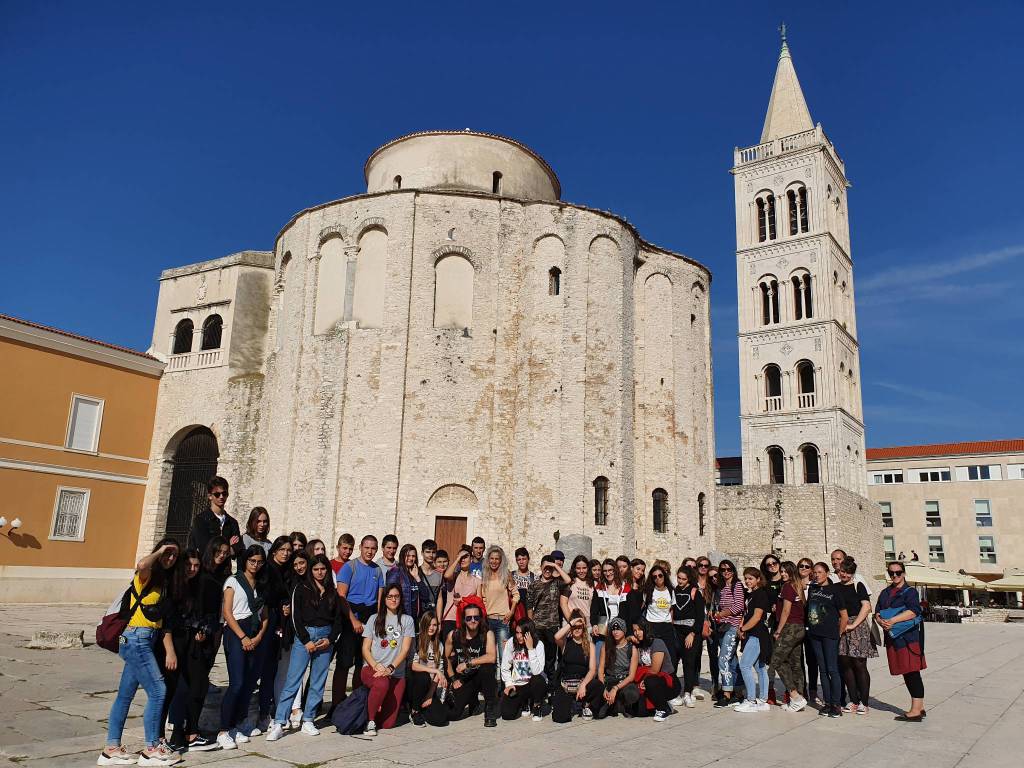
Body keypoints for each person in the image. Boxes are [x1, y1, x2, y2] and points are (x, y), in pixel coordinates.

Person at [98, 540, 181, 767]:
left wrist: (169, 650)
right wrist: (160, 551)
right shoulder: (146, 576)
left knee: (125, 694)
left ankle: (111, 748)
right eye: (168, 553)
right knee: (158, 690)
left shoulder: (163, 583)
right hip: (136, 639)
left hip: (143, 639)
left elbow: (162, 623)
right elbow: (142, 563)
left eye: (175, 555)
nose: (171, 558)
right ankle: (151, 748)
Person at [265, 555, 346, 740]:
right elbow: (296, 617)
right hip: (305, 637)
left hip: (325, 638)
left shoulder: (332, 592)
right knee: (293, 681)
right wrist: (305, 640)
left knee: (318, 681)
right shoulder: (301, 589)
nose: (319, 572)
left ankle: (308, 719)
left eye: (322, 569)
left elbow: (338, 621)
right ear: (311, 570)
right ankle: (280, 722)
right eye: (316, 569)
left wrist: (330, 640)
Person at [177, 537, 231, 752]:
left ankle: (190, 730)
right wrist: (201, 630)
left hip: (209, 634)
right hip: (192, 637)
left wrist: (208, 630)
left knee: (199, 683)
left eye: (226, 552)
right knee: (189, 685)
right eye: (219, 550)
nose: (222, 554)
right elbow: (191, 610)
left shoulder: (222, 575)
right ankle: (183, 731)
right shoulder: (197, 578)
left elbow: (211, 611)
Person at [218, 544, 269, 749]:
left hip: (255, 632)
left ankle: (238, 724)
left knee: (249, 682)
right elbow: (227, 612)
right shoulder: (233, 581)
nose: (255, 565)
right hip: (236, 632)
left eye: (259, 562)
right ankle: (224, 729)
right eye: (252, 561)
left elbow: (264, 615)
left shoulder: (261, 584)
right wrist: (243, 637)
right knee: (237, 682)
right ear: (245, 561)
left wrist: (257, 637)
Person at [361, 584, 416, 735]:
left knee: (388, 724)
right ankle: (369, 721)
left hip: (396, 674)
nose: (393, 599)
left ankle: (376, 701)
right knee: (382, 682)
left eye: (396, 596)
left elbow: (405, 650)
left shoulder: (407, 620)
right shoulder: (374, 618)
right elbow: (365, 648)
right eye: (390, 596)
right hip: (372, 669)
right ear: (384, 599)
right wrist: (376, 666)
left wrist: (390, 668)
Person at [875, 562, 927, 721]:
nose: (895, 576)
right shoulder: (885, 592)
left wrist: (891, 620)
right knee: (906, 671)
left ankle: (916, 711)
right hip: (893, 636)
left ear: (904, 573)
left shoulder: (910, 592)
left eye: (898, 573)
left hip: (908, 637)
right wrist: (880, 621)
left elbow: (913, 611)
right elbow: (877, 611)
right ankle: (920, 706)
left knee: (912, 672)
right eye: (891, 573)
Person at [162, 547, 201, 750]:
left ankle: (178, 733)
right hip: (171, 642)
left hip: (187, 641)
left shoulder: (193, 587)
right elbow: (166, 622)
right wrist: (170, 651)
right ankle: (159, 737)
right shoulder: (172, 586)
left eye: (196, 566)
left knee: (183, 688)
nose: (192, 569)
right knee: (167, 690)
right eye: (189, 565)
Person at [252, 535, 291, 734]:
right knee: (260, 666)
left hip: (280, 623)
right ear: (274, 550)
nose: (285, 553)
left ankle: (265, 712)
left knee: (271, 670)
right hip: (267, 620)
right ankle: (250, 714)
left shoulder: (289, 570)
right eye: (282, 549)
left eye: (288, 550)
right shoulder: (267, 569)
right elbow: (265, 595)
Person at [336, 535, 385, 694]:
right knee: (344, 664)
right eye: (367, 548)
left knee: (362, 664)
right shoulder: (350, 567)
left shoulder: (377, 570)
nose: (370, 551)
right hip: (350, 618)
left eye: (373, 548)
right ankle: (337, 704)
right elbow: (341, 596)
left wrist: (378, 622)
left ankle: (356, 701)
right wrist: (353, 620)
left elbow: (379, 599)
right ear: (361, 548)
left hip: (369, 619)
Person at [445, 600, 499, 727]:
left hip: (481, 676)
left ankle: (490, 708)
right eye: (469, 618)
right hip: (465, 679)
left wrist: (468, 663)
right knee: (453, 715)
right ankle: (472, 700)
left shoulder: (487, 634)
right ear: (464, 619)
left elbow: (491, 657)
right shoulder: (454, 635)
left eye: (476, 617)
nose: (473, 620)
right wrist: (453, 679)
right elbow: (445, 657)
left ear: (480, 619)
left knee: (487, 668)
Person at [806, 561, 848, 718]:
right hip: (815, 634)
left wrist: (838, 633)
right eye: (815, 572)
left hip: (830, 635)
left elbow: (843, 615)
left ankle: (837, 704)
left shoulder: (835, 590)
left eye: (819, 572)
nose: (816, 575)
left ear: (827, 573)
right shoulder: (812, 589)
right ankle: (828, 702)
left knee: (832, 669)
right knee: (822, 670)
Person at [836, 557, 877, 714]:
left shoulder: (858, 586)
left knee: (859, 665)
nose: (844, 575)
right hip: (842, 626)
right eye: (842, 572)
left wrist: (853, 625)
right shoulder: (836, 587)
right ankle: (853, 700)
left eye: (847, 572)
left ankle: (864, 702)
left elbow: (866, 607)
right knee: (846, 665)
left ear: (852, 573)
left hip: (857, 627)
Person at [527, 555, 571, 695]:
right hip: (538, 628)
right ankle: (539, 690)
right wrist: (531, 626)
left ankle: (552, 690)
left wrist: (555, 566)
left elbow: (568, 580)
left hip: (552, 627)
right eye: (545, 567)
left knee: (551, 661)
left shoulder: (557, 583)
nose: (547, 570)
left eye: (549, 568)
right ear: (540, 567)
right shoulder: (533, 585)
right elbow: (529, 607)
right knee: (538, 659)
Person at [770, 561, 808, 712]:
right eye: (782, 571)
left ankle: (795, 696)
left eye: (786, 571)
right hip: (799, 628)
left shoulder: (787, 586)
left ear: (792, 572)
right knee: (795, 663)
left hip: (790, 628)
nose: (783, 574)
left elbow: (786, 611)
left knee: (777, 661)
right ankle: (799, 698)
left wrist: (778, 630)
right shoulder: (798, 586)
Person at [552, 610, 603, 722]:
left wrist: (583, 684)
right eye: (574, 627)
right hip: (566, 685)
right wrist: (572, 622)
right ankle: (571, 704)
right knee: (560, 718)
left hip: (582, 684)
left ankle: (586, 705)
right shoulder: (565, 642)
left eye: (580, 626)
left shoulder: (590, 645)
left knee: (598, 685)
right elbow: (556, 637)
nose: (577, 629)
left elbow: (592, 670)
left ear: (584, 627)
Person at [735, 567, 772, 713]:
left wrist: (744, 629)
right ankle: (762, 700)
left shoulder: (760, 595)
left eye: (750, 578)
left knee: (745, 665)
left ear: (758, 579)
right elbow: (747, 614)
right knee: (759, 667)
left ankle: (751, 700)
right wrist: (742, 627)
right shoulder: (750, 595)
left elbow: (757, 617)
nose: (747, 581)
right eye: (746, 578)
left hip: (757, 634)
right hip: (752, 633)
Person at [187, 476, 242, 566]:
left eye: (224, 494)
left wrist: (224, 550)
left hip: (225, 570)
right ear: (210, 496)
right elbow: (204, 548)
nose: (221, 497)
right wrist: (228, 546)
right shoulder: (201, 520)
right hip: (206, 570)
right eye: (217, 494)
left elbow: (237, 548)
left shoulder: (232, 522)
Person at [499, 618, 546, 721]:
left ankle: (537, 705)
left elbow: (537, 671)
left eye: (522, 633)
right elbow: (505, 666)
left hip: (533, 683)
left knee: (538, 680)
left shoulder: (539, 644)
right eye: (517, 632)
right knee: (507, 715)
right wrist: (509, 684)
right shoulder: (511, 642)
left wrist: (530, 649)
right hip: (518, 684)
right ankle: (524, 702)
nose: (519, 636)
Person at [632, 619, 678, 722]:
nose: (637, 633)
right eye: (634, 630)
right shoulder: (639, 645)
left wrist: (643, 680)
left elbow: (655, 670)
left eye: (640, 629)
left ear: (646, 629)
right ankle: (663, 703)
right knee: (640, 712)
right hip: (649, 679)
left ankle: (662, 709)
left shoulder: (657, 642)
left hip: (668, 681)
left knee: (651, 681)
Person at [712, 559, 744, 707]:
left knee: (723, 659)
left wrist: (722, 614)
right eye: (723, 569)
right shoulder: (723, 587)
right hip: (723, 627)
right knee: (731, 660)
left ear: (733, 570)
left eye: (729, 569)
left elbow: (738, 606)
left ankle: (726, 694)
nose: (726, 572)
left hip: (732, 626)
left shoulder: (737, 585)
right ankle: (737, 692)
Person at [672, 565, 704, 707]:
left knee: (689, 662)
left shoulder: (695, 593)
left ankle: (687, 693)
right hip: (676, 630)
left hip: (691, 632)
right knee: (673, 662)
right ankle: (673, 693)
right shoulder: (674, 591)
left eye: (683, 579)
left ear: (689, 579)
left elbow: (700, 616)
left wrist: (692, 633)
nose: (680, 581)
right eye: (679, 578)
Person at [408, 611, 448, 726]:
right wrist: (435, 671)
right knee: (424, 676)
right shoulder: (416, 640)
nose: (431, 628)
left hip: (429, 688)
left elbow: (439, 671)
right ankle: (414, 711)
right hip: (415, 685)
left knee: (441, 719)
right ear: (423, 624)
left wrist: (430, 695)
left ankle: (422, 708)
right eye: (429, 624)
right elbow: (413, 665)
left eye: (434, 625)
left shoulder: (439, 645)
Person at [479, 545, 517, 665]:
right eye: (492, 558)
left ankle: (506, 684)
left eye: (497, 559)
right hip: (488, 621)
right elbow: (482, 599)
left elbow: (516, 595)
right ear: (488, 559)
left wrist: (511, 612)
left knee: (504, 657)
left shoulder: (506, 574)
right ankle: (491, 683)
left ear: (501, 561)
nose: (494, 561)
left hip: (503, 621)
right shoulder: (484, 576)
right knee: (489, 656)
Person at [596, 617, 639, 718]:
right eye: (613, 629)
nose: (615, 632)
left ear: (624, 630)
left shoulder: (632, 649)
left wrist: (615, 689)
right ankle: (612, 703)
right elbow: (601, 669)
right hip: (609, 679)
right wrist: (604, 689)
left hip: (624, 681)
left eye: (618, 629)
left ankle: (623, 703)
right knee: (600, 714)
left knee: (632, 693)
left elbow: (631, 676)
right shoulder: (606, 646)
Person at [441, 545, 483, 639]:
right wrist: (458, 559)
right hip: (451, 618)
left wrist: (463, 600)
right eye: (461, 557)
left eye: (465, 557)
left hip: (466, 620)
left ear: (471, 559)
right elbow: (446, 575)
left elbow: (479, 602)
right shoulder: (454, 576)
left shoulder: (477, 581)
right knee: (448, 651)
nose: (462, 560)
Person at [759, 554, 784, 705]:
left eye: (774, 563)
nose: (772, 566)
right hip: (772, 624)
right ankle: (770, 691)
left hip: (788, 625)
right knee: (771, 660)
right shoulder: (765, 584)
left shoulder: (786, 581)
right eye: (768, 564)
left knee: (787, 660)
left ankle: (791, 691)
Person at [591, 558, 626, 661]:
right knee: (599, 659)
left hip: (620, 627)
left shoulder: (625, 587)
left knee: (618, 658)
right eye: (605, 571)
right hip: (604, 626)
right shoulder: (599, 588)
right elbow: (594, 609)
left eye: (610, 570)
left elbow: (628, 610)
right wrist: (594, 624)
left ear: (615, 570)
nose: (608, 573)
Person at [386, 543, 430, 620]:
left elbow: (425, 596)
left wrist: (417, 577)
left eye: (413, 556)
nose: (411, 558)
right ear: (402, 556)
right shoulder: (395, 572)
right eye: (408, 555)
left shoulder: (417, 572)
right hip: (400, 617)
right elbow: (390, 597)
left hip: (415, 619)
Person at [797, 557, 819, 704]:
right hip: (798, 625)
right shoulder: (794, 585)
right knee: (798, 660)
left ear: (811, 569)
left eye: (807, 566)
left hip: (812, 627)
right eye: (801, 566)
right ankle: (801, 689)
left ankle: (812, 690)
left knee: (812, 660)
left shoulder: (816, 585)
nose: (804, 568)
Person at [695, 556, 717, 700]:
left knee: (713, 654)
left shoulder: (712, 585)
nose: (703, 567)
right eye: (701, 565)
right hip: (696, 623)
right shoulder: (693, 584)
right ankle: (695, 685)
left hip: (710, 623)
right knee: (695, 655)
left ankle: (716, 685)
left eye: (706, 565)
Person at [419, 539, 443, 614]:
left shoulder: (439, 574)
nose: (431, 555)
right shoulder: (416, 572)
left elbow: (439, 598)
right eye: (428, 552)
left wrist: (439, 621)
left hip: (433, 615)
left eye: (433, 552)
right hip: (419, 616)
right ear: (422, 553)